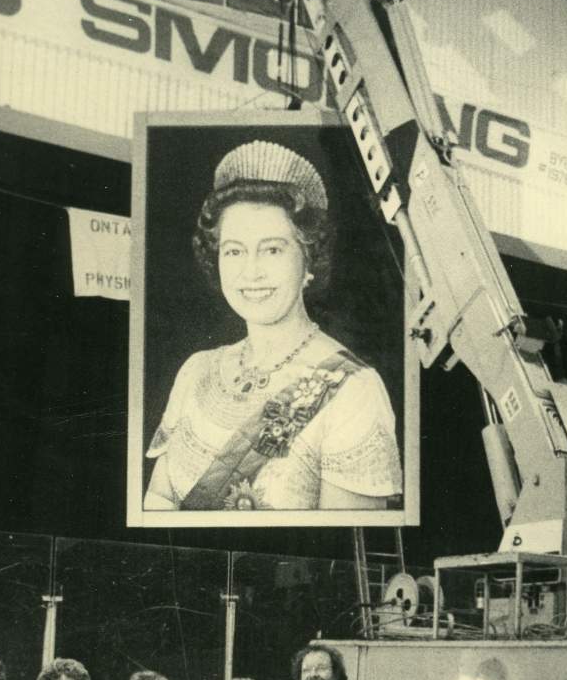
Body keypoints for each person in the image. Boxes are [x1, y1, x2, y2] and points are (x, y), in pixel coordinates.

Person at [144, 139, 402, 512]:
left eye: (272, 249)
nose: (251, 272)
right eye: (234, 250)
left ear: (309, 261)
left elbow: (344, 543)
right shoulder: (196, 371)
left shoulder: (354, 391)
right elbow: (159, 500)